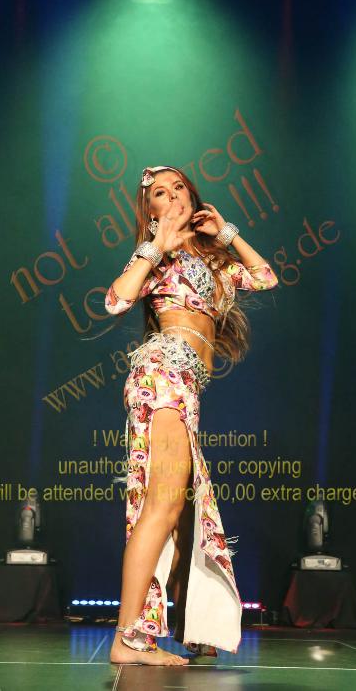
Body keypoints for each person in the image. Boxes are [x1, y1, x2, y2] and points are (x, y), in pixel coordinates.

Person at [105, 165, 279, 666]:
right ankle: (126, 640)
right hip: (163, 373)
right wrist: (154, 246)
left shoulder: (214, 261)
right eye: (160, 193)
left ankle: (183, 627)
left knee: (180, 512)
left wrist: (225, 233)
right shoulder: (156, 254)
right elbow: (116, 301)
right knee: (161, 507)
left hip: (185, 384)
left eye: (179, 187)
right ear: (151, 211)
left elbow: (265, 277)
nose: (173, 195)